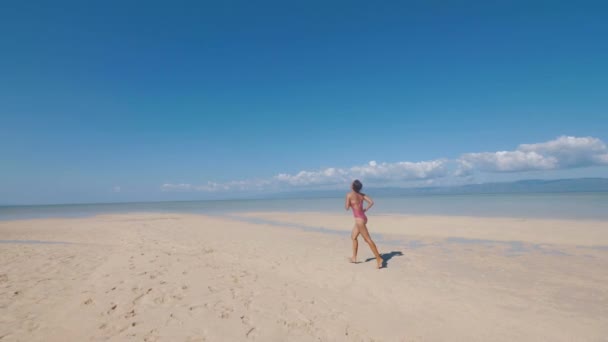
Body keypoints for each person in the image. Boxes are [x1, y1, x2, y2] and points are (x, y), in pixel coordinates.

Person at [345, 180, 383, 269]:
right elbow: (371, 202)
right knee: (353, 237)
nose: (350, 184)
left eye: (351, 183)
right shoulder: (362, 195)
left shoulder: (349, 195)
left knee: (367, 239)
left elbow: (346, 208)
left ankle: (379, 259)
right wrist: (364, 209)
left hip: (359, 221)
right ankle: (354, 258)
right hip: (363, 218)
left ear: (353, 186)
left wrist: (350, 204)